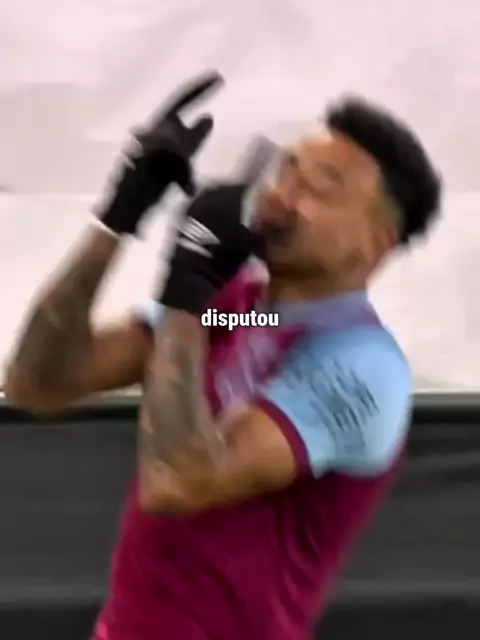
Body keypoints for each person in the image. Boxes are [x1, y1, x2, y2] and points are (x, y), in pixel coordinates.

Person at [5, 68, 442, 640]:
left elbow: (176, 482)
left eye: (320, 188)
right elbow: (36, 384)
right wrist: (117, 218)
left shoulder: (365, 369)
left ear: (376, 242)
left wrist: (186, 289)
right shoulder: (235, 311)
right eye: (288, 170)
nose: (282, 195)